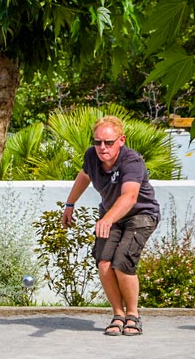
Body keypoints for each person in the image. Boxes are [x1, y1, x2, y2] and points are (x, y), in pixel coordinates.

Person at [62, 115, 159, 337]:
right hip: (110, 215)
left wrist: (107, 219)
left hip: (141, 214)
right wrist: (70, 203)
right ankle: (118, 314)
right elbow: (84, 176)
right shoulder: (91, 157)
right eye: (97, 142)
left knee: (122, 261)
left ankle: (133, 315)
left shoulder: (131, 161)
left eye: (108, 142)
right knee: (104, 263)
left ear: (121, 140)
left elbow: (130, 196)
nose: (102, 147)